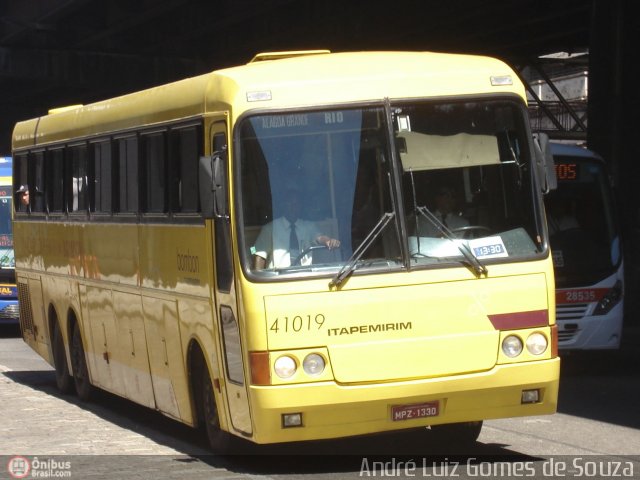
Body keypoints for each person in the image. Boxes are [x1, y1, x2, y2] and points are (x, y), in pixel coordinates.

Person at [252, 189, 340, 270]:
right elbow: (259, 256)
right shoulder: (270, 228)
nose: (293, 207)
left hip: (304, 277)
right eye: (289, 203)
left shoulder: (308, 226)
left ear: (300, 206)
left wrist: (328, 241)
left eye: (296, 204)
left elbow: (319, 237)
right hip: (278, 279)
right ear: (283, 205)